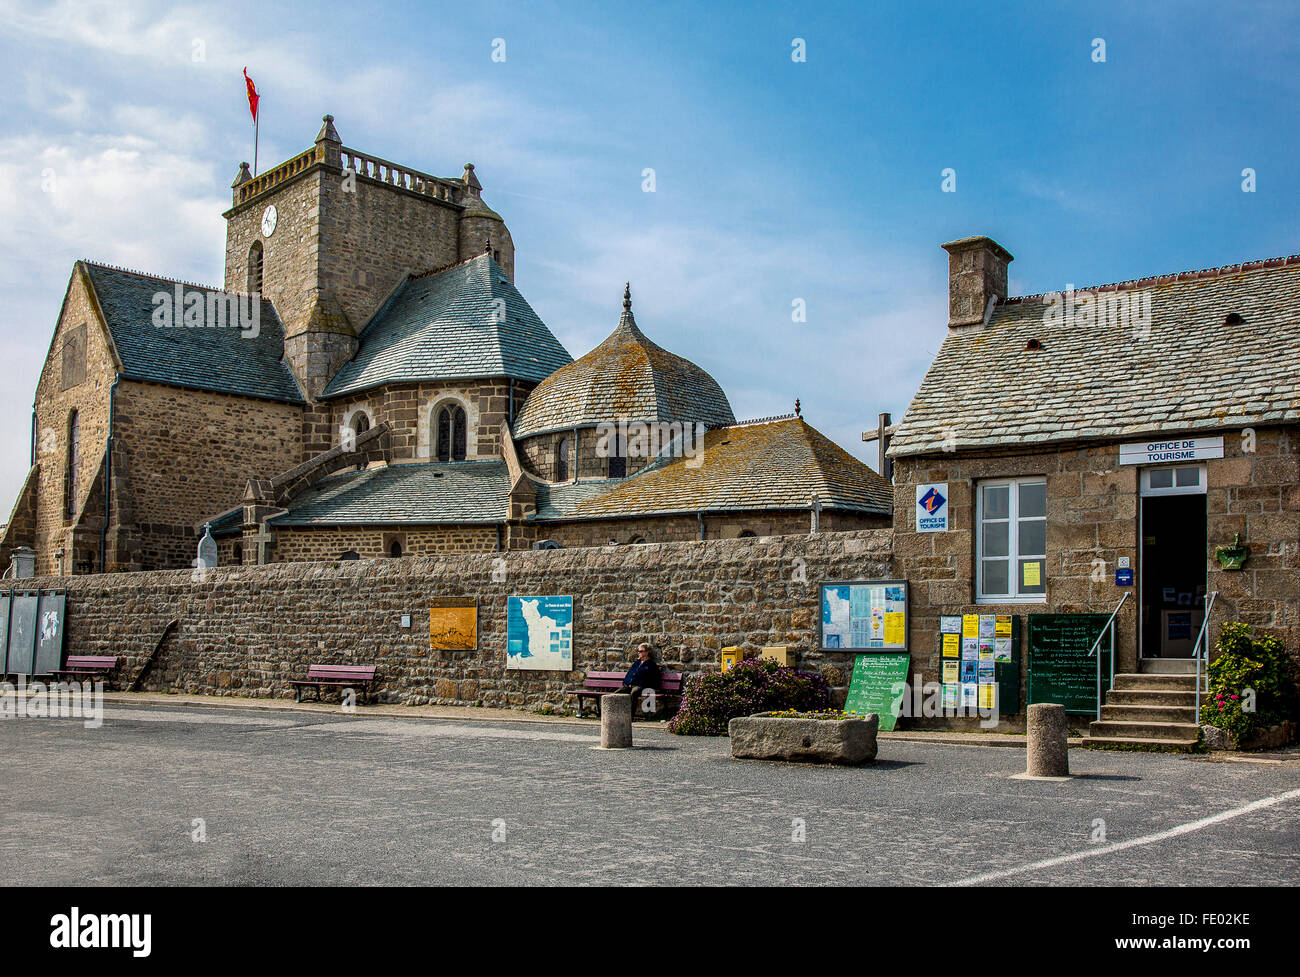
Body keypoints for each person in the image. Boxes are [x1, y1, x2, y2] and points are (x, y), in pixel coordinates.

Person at [617, 643, 661, 712]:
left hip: (641, 686)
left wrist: (642, 684)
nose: (638, 653)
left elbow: (653, 679)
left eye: (640, 651)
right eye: (638, 651)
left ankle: (630, 716)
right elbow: (629, 674)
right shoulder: (636, 663)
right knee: (616, 694)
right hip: (629, 685)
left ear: (647, 652)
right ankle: (614, 714)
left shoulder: (651, 665)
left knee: (634, 692)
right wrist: (626, 683)